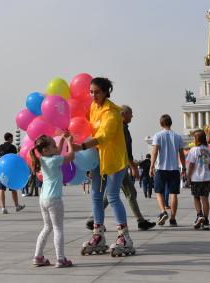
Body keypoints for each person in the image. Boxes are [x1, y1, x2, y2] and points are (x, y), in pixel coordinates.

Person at [79, 77, 135, 257]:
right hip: (98, 158)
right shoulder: (93, 108)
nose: (93, 95)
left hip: (114, 160)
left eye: (97, 92)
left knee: (112, 196)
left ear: (105, 92)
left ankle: (124, 237)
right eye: (91, 92)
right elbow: (85, 125)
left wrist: (80, 147)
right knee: (95, 195)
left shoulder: (112, 112)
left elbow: (104, 136)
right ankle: (98, 235)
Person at [84, 105, 155, 231]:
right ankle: (138, 222)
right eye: (130, 114)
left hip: (115, 164)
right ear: (124, 114)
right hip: (117, 165)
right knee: (115, 194)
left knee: (124, 193)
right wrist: (133, 167)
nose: (132, 116)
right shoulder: (122, 128)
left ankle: (140, 220)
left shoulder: (116, 125)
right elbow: (127, 152)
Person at [30, 134, 74, 268]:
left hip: (43, 199)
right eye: (53, 145)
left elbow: (56, 152)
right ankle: (60, 259)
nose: (56, 147)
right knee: (58, 228)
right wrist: (69, 143)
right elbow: (71, 156)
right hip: (54, 199)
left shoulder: (42, 159)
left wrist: (60, 141)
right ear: (45, 150)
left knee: (47, 227)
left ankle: (38, 256)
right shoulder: (54, 160)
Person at [150, 114, 186, 227]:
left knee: (159, 192)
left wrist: (151, 166)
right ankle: (173, 219)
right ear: (171, 123)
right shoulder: (178, 136)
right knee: (173, 194)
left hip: (161, 168)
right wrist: (183, 167)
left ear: (161, 124)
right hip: (174, 168)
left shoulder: (157, 135)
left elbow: (155, 152)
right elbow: (181, 154)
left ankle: (163, 211)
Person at [187, 130, 210, 230]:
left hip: (196, 177)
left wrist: (188, 176)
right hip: (206, 177)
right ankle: (206, 220)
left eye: (194, 138)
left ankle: (199, 215)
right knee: (205, 199)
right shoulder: (208, 150)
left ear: (197, 139)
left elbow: (191, 164)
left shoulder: (193, 150)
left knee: (196, 197)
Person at [0, 132, 25, 213]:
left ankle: (3, 208)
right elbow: (15, 159)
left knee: (1, 189)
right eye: (12, 138)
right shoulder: (12, 147)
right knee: (13, 188)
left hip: (1, 170)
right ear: (9, 138)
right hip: (11, 171)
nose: (12, 140)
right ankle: (17, 206)